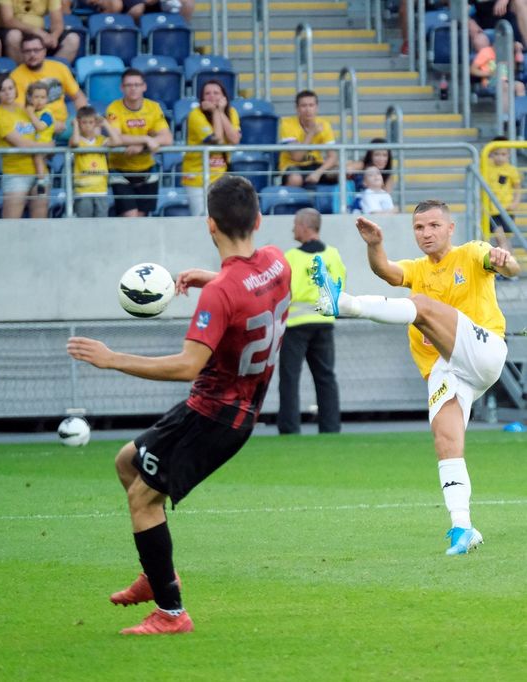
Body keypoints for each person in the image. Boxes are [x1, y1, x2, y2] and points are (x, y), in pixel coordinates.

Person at [67, 175, 291, 636]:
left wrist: (113, 359)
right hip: (225, 409)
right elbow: (252, 289)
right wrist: (212, 277)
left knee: (142, 498)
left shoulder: (222, 293)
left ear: (210, 224)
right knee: (127, 462)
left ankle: (171, 612)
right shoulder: (277, 261)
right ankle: (157, 574)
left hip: (214, 416)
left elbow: (188, 365)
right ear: (258, 219)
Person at [312, 199, 520, 555]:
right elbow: (387, 271)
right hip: (447, 369)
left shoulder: (471, 252)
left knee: (421, 306)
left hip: (485, 350)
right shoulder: (418, 268)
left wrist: (506, 261)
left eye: (434, 225)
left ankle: (344, 304)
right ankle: (463, 527)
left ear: (450, 229)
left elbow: (508, 267)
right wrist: (375, 244)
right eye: (419, 227)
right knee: (446, 442)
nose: (426, 233)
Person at [278, 208, 345, 434]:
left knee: (290, 378)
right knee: (326, 377)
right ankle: (331, 427)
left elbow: (281, 290)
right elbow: (340, 285)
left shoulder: (291, 257)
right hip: (324, 322)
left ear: (304, 227)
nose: (293, 229)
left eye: (295, 225)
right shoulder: (332, 255)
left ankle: (289, 428)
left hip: (295, 325)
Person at [106, 67, 172, 217]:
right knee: (130, 217)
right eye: (129, 85)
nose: (133, 88)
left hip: (147, 169)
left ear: (144, 86)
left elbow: (167, 138)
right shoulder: (114, 108)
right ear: (122, 88)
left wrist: (141, 146)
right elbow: (116, 138)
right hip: (120, 170)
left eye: (137, 84)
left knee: (141, 219)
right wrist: (146, 139)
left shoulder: (153, 107)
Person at [0, 74, 53, 218]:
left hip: (40, 173)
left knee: (40, 223)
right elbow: (22, 144)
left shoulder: (25, 109)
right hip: (16, 175)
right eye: (2, 90)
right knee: (11, 223)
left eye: (10, 88)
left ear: (16, 90)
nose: (8, 92)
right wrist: (48, 146)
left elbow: (45, 126)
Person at [181, 79, 241, 216]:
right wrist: (215, 111)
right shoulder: (195, 114)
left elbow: (235, 139)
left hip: (220, 175)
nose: (212, 96)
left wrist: (220, 112)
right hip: (197, 176)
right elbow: (217, 139)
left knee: (222, 217)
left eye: (216, 93)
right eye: (207, 93)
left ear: (224, 96)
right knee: (201, 217)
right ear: (202, 98)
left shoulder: (232, 112)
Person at [11, 34, 87, 138]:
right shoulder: (16, 76)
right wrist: (48, 125)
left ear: (44, 51)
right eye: (27, 51)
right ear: (22, 53)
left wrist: (82, 118)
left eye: (36, 50)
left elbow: (78, 97)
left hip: (63, 122)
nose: (32, 54)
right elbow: (20, 110)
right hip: (35, 125)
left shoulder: (59, 68)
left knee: (93, 128)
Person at [70, 105, 122, 218]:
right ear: (79, 123)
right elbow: (75, 143)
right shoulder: (77, 140)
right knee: (84, 221)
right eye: (84, 122)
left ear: (95, 123)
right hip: (83, 191)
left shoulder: (100, 140)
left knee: (101, 222)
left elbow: (117, 141)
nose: (88, 125)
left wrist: (105, 123)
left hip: (100, 189)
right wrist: (75, 126)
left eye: (91, 122)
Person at [278, 89, 338, 188]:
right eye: (303, 106)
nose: (308, 110)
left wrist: (318, 172)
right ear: (297, 108)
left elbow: (333, 157)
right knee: (295, 178)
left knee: (339, 173)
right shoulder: (287, 124)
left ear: (316, 107)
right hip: (293, 166)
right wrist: (311, 133)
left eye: (311, 105)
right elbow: (297, 156)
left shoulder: (325, 125)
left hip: (316, 165)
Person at [0, 0, 80, 64]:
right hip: (15, 29)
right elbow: (8, 20)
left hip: (40, 32)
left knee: (73, 39)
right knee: (13, 36)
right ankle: (21, 76)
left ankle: (50, 75)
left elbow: (57, 22)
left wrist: (55, 36)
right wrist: (36, 31)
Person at [484, 135, 522, 253]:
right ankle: (508, 259)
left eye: (503, 154)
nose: (500, 157)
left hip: (507, 209)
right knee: (500, 238)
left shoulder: (511, 170)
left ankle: (509, 259)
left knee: (505, 239)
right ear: (491, 154)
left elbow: (517, 188)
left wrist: (515, 202)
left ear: (509, 154)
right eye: (496, 154)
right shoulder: (486, 166)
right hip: (491, 210)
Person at [469, 30, 526, 106]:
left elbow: (514, 70)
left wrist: (518, 51)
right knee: (504, 86)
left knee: (520, 86)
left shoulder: (506, 53)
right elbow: (472, 70)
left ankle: (520, 111)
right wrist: (489, 73)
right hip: (490, 81)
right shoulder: (485, 52)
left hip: (506, 79)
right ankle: (505, 113)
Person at [25, 80, 55, 195]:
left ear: (47, 99)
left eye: (43, 97)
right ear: (30, 98)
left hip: (45, 143)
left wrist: (30, 114)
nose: (39, 101)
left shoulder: (47, 114)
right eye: (36, 97)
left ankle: (41, 181)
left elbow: (40, 127)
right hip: (34, 144)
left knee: (38, 158)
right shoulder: (32, 112)